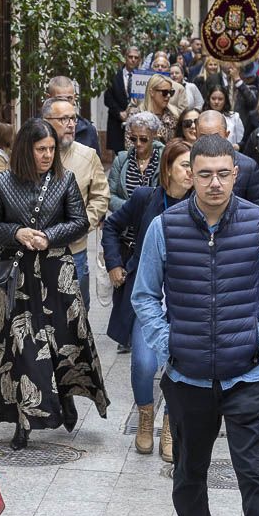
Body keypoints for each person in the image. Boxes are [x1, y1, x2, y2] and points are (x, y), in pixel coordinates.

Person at [131, 134, 259, 516]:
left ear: (236, 173)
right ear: (189, 174)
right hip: (188, 378)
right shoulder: (165, 227)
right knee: (188, 472)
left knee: (257, 476)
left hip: (249, 378)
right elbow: (144, 296)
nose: (215, 182)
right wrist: (170, 345)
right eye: (204, 174)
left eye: (223, 173)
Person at [0, 119, 110, 449]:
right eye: (41, 149)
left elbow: (80, 222)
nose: (48, 155)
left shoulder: (64, 180)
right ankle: (24, 419)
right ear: (27, 149)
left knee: (64, 340)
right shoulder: (2, 182)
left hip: (57, 272)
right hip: (16, 276)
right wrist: (16, 233)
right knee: (22, 347)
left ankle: (64, 397)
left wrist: (49, 236)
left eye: (52, 149)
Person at [103, 138, 193, 462]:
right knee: (143, 363)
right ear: (168, 169)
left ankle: (170, 423)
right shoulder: (146, 198)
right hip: (149, 297)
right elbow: (111, 226)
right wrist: (114, 263)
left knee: (178, 365)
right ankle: (145, 415)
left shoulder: (202, 204)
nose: (192, 172)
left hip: (187, 300)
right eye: (185, 165)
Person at [43, 96, 110, 311]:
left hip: (75, 251)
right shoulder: (30, 155)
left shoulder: (88, 155)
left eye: (73, 118)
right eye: (64, 119)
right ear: (46, 121)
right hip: (37, 251)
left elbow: (100, 197)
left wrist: (82, 225)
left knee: (76, 313)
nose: (71, 124)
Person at [195, 110, 259, 206]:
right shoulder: (185, 164)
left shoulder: (248, 167)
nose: (210, 141)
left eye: (216, 136)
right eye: (204, 137)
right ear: (195, 136)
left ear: (226, 135)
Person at [109, 111, 165, 213]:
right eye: (133, 139)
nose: (138, 143)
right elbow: (109, 195)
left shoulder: (164, 160)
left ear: (154, 135)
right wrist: (131, 208)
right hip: (125, 224)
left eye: (143, 139)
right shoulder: (121, 160)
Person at [104, 45, 143, 153]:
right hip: (117, 123)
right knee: (119, 156)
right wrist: (119, 112)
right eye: (130, 57)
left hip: (137, 123)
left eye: (136, 57)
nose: (133, 60)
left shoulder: (143, 78)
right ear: (125, 57)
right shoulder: (114, 75)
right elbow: (108, 98)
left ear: (139, 60)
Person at [46, 75, 101, 152]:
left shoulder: (88, 130)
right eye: (59, 99)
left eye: (69, 98)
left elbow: (95, 162)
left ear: (75, 97)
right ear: (48, 98)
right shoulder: (35, 128)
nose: (65, 103)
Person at [133, 72, 180, 148]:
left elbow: (175, 147)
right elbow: (129, 146)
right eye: (164, 92)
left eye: (171, 92)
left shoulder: (174, 116)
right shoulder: (136, 116)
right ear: (152, 92)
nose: (168, 96)